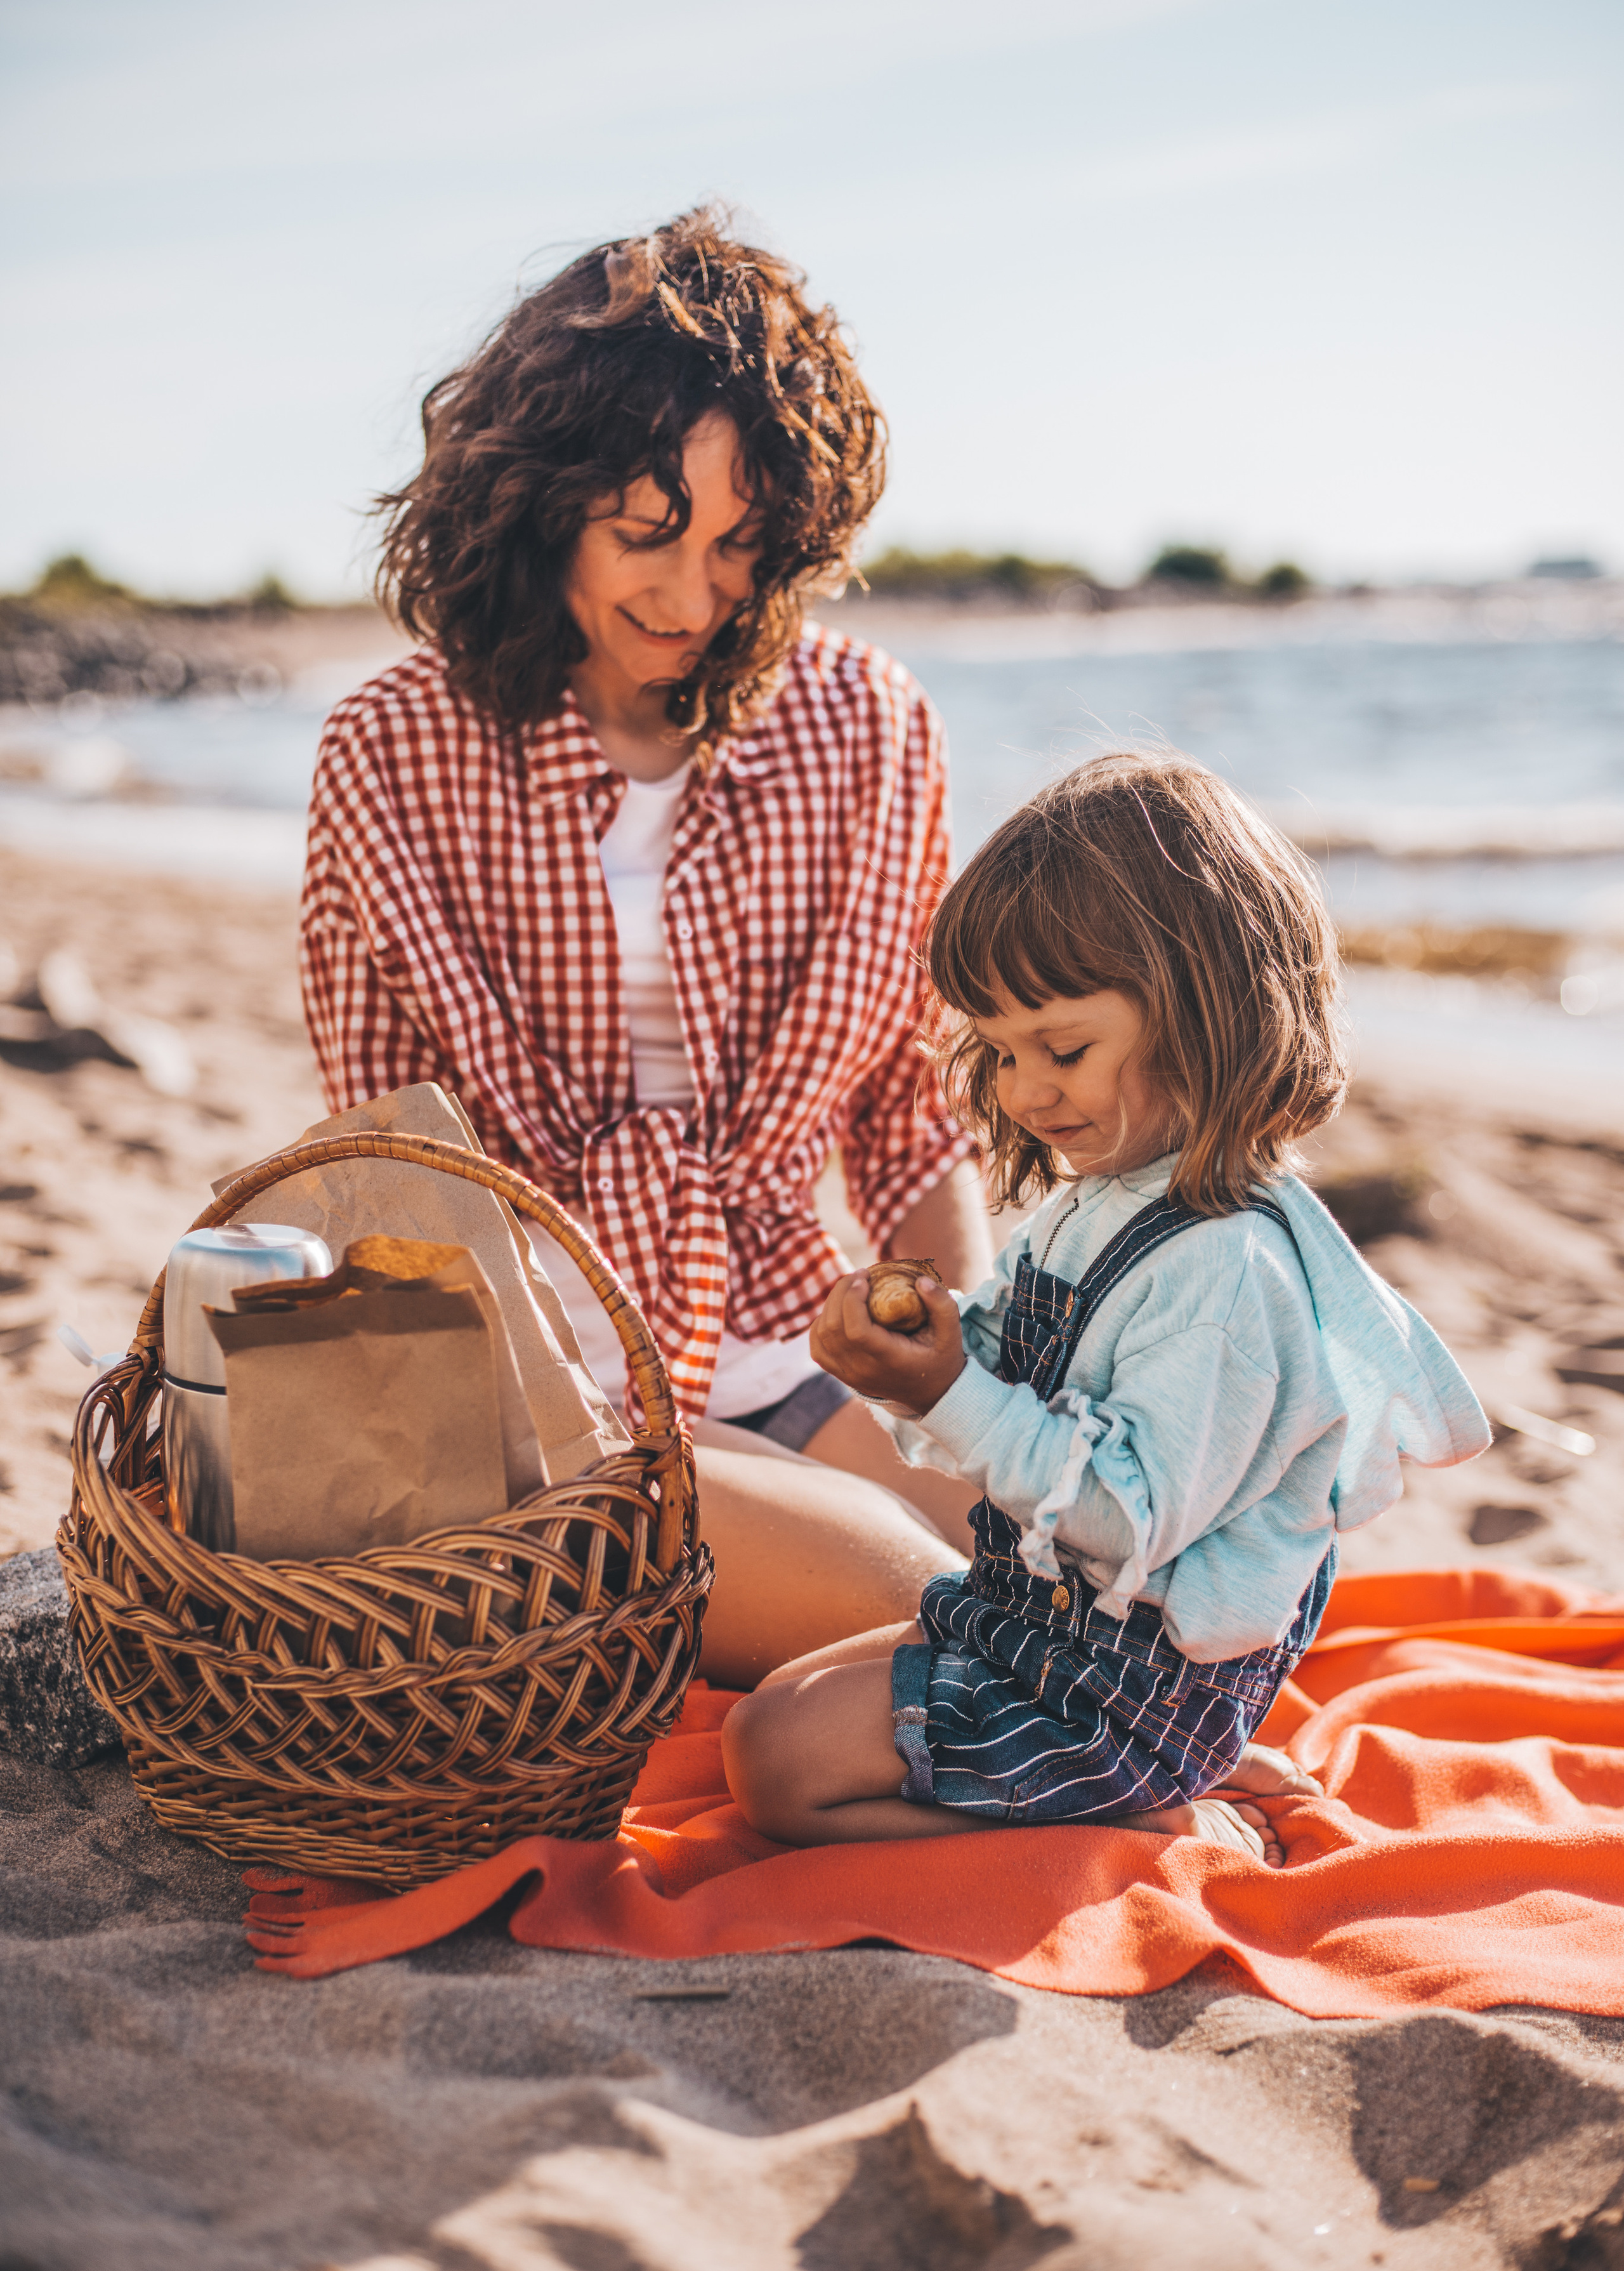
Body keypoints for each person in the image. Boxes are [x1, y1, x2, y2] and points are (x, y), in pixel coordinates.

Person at [298, 206, 992, 1677]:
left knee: (1061, 1560)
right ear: (539, 501)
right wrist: (542, 1424)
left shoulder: (866, 728)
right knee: (943, 1620)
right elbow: (380, 1159)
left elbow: (909, 1116)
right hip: (524, 1390)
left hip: (787, 1344)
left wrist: (962, 1377)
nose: (692, 598)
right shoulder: (390, 751)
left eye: (741, 544)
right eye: (645, 533)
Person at [721, 752, 1491, 1862]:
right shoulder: (1109, 1200)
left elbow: (1123, 1520)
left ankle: (1146, 1812)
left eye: (1063, 1049)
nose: (1027, 1092)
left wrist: (952, 1393)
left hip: (1127, 1683)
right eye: (1000, 1051)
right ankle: (1134, 1789)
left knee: (780, 1773)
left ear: (1201, 1007)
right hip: (1038, 1617)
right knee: (778, 1700)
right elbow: (1015, 1374)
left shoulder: (1229, 1277)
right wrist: (915, 1362)